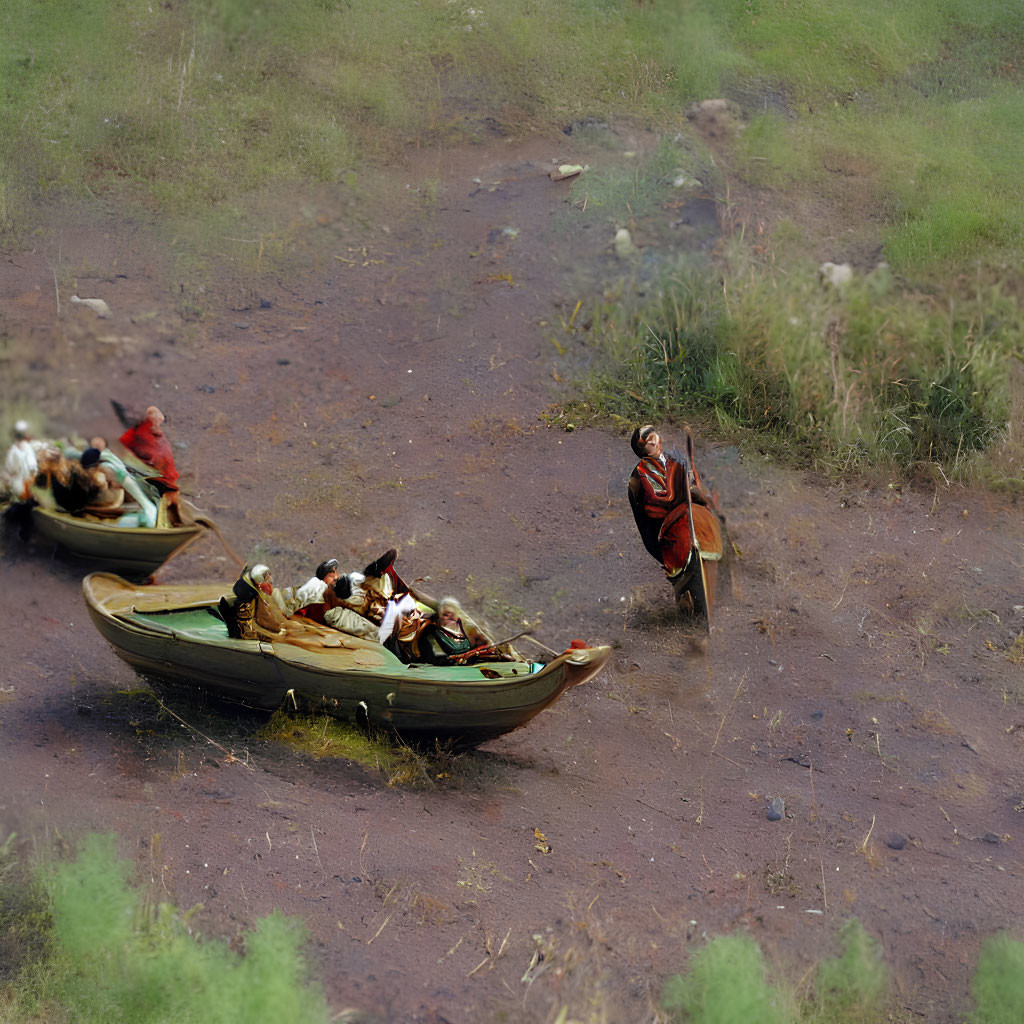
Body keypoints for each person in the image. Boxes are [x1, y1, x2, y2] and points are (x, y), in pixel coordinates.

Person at [627, 424, 725, 616]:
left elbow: (698, 486)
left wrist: (697, 490)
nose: (654, 441)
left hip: (694, 519)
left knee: (710, 517)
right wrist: (684, 493)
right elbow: (651, 514)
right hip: (669, 533)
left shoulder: (677, 460)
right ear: (641, 449)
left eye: (654, 436)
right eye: (648, 442)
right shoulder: (639, 476)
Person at [117, 404, 181, 520]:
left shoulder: (155, 435)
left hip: (158, 477)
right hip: (150, 475)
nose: (156, 419)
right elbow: (122, 446)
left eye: (157, 417)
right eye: (154, 416)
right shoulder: (143, 431)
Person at [221, 564, 305, 641]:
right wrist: (279, 627)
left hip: (240, 621)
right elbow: (263, 618)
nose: (268, 577)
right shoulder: (252, 593)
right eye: (266, 576)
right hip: (245, 628)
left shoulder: (246, 583)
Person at [79, 447, 159, 528]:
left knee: (144, 512)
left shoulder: (107, 468)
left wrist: (146, 506)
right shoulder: (104, 467)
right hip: (128, 489)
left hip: (135, 489)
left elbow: (123, 489)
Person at [3, 421, 43, 502]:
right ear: (25, 434)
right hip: (25, 486)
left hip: (15, 485)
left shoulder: (12, 449)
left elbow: (9, 468)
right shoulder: (27, 448)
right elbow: (32, 466)